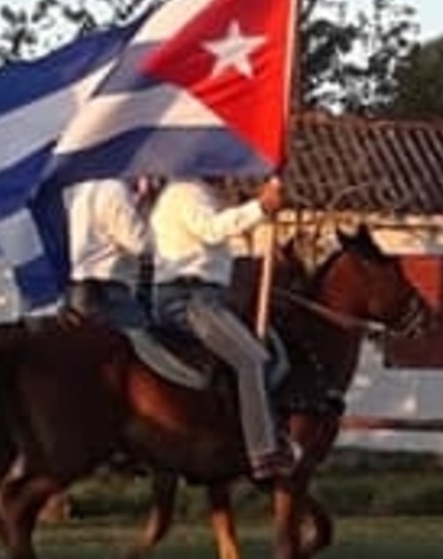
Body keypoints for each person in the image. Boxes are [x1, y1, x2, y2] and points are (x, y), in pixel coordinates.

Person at [149, 173, 295, 481]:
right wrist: (260, 207)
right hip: (188, 297)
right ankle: (263, 451)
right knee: (251, 358)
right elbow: (212, 231)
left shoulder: (203, 194)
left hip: (204, 295)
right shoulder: (187, 191)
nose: (231, 172)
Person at [63, 176, 159, 330]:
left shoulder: (82, 190)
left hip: (81, 288)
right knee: (146, 346)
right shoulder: (114, 190)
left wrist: (137, 205)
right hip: (109, 291)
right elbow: (139, 244)